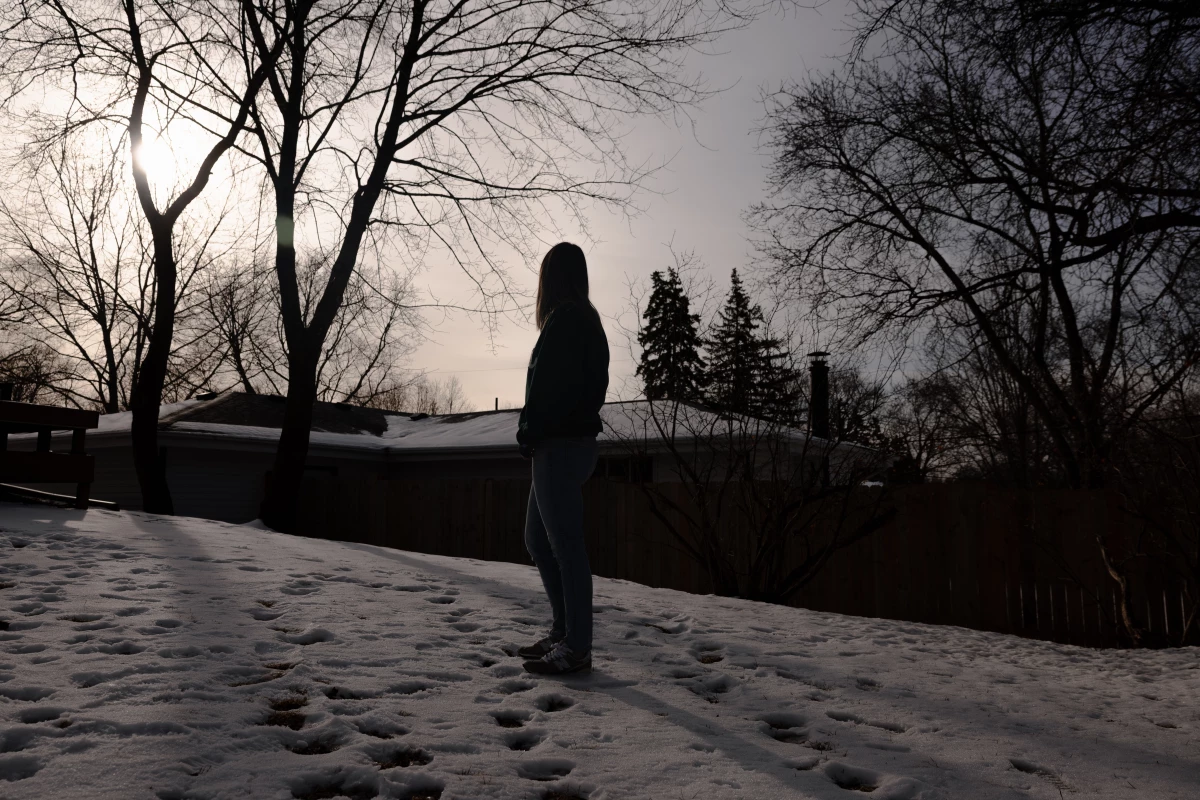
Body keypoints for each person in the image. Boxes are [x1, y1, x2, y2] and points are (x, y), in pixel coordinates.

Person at [516, 242, 609, 676]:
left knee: (566, 547)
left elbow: (554, 389)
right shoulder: (573, 320)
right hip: (561, 443)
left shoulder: (570, 320)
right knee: (538, 539)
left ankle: (576, 647)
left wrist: (532, 430)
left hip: (560, 445)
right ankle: (563, 633)